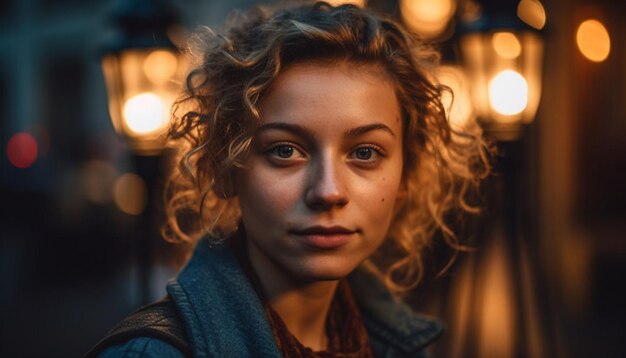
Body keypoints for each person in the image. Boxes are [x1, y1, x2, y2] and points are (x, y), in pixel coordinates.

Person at [88, 1, 489, 357]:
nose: (328, 191)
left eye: (365, 153)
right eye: (285, 151)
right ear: (227, 168)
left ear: (406, 176)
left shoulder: (397, 343)